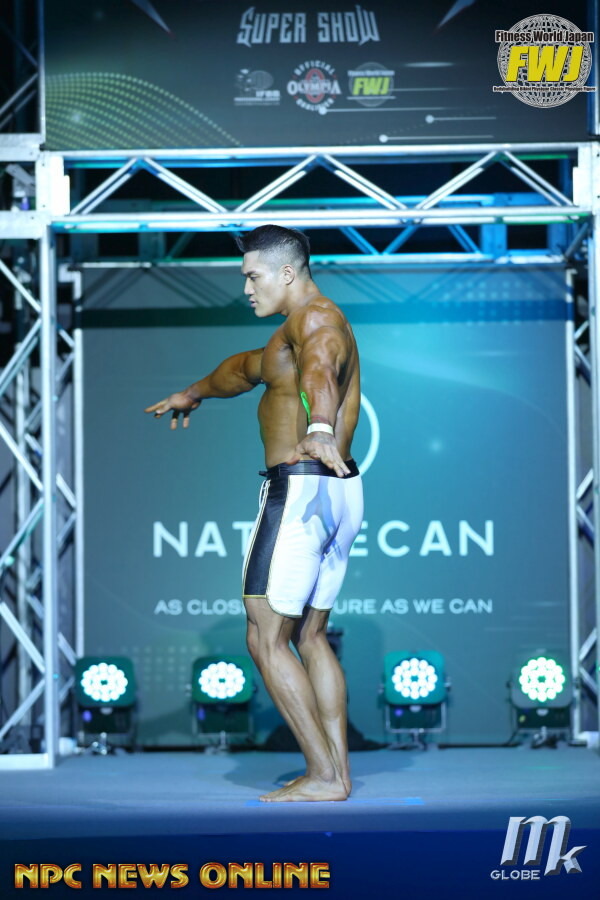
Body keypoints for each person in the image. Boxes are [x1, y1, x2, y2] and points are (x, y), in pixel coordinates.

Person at [145, 225, 363, 802]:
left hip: (301, 488)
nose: (246, 288)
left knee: (265, 637)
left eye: (252, 276)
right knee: (310, 635)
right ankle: (337, 774)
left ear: (286, 272)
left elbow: (320, 369)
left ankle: (322, 776)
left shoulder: (317, 320)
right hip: (339, 490)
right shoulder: (289, 333)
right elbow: (243, 371)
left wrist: (320, 427)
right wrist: (194, 391)